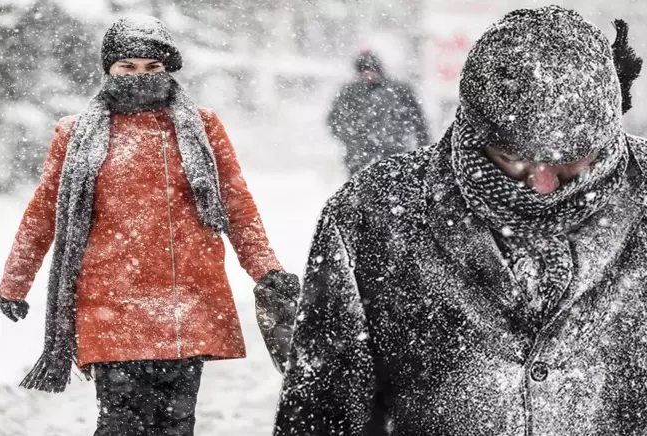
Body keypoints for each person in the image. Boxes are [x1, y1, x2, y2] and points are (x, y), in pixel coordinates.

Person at [274, 7, 646, 435]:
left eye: (569, 161)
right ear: (473, 128)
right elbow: (325, 409)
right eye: (513, 158)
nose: (542, 185)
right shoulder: (371, 211)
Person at [0, 15, 299, 436]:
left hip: (187, 303)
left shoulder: (201, 127)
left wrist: (266, 269)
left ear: (168, 69)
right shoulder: (75, 135)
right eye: (127, 67)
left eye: (151, 68)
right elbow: (43, 213)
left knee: (175, 424)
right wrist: (13, 282)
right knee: (121, 424)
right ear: (109, 69)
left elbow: (237, 205)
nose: (139, 77)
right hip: (110, 305)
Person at [327, 50, 430, 177]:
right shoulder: (349, 93)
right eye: (364, 70)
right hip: (360, 158)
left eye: (372, 69)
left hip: (394, 156)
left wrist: (423, 148)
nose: (368, 74)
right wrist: (352, 139)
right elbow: (334, 120)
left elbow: (418, 121)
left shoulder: (399, 90)